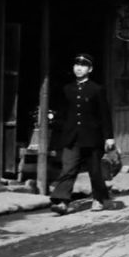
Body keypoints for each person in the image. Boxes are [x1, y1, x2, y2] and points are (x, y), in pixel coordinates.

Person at [50, 53, 115, 214]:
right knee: (68, 168)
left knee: (95, 171)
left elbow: (105, 115)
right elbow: (63, 113)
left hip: (93, 138)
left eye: (83, 65)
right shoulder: (67, 89)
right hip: (72, 137)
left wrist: (109, 137)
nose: (79, 68)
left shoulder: (97, 89)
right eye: (76, 65)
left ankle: (99, 199)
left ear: (90, 69)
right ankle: (62, 202)